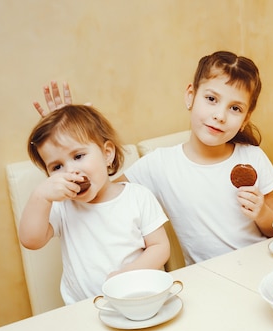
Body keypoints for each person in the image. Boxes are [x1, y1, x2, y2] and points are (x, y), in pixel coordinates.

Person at [34, 51, 273, 265]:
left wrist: (262, 212)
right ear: (191, 95)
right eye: (211, 99)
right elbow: (103, 191)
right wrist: (67, 135)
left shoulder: (252, 157)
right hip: (211, 279)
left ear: (246, 119)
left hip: (261, 265)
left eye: (235, 108)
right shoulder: (160, 164)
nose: (219, 115)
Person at [20, 104, 170, 304]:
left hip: (139, 299)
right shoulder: (62, 206)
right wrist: (40, 196)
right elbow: (31, 240)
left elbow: (160, 247)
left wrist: (127, 274)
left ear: (107, 153)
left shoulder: (137, 197)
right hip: (84, 309)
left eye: (78, 156)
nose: (70, 171)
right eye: (57, 167)